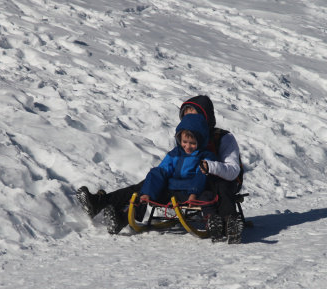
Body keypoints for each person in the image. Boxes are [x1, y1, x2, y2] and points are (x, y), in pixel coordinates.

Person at [77, 95, 244, 241]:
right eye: (186, 116)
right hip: (189, 180)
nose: (189, 121)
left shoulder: (223, 137)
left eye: (194, 116)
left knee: (220, 186)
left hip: (221, 180)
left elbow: (233, 170)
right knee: (151, 182)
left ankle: (228, 222)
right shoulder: (186, 138)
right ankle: (104, 204)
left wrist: (209, 167)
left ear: (205, 118)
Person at [138, 113, 216, 207]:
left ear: (200, 141)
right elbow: (163, 169)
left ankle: (212, 219)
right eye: (184, 142)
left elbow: (201, 176)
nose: (187, 146)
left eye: (192, 143)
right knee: (154, 174)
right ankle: (138, 205)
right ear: (179, 139)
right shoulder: (175, 153)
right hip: (172, 190)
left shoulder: (205, 156)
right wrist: (148, 192)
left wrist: (193, 193)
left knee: (207, 197)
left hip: (192, 191)